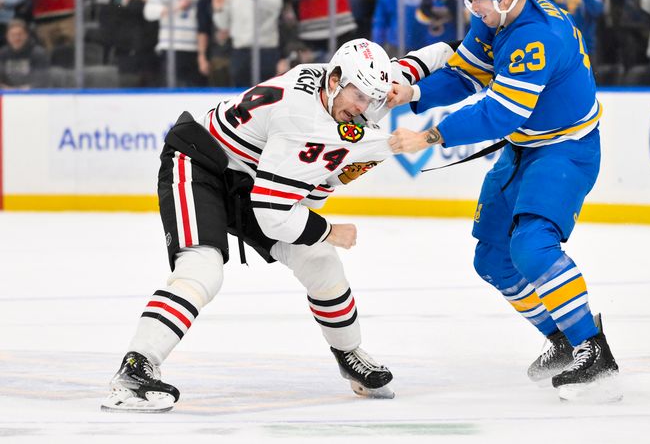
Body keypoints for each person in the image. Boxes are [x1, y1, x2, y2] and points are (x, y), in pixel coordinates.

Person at [100, 37, 454, 412]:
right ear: (335, 80)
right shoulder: (301, 122)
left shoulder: (351, 87)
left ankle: (348, 354)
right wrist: (329, 231)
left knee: (320, 261)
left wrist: (481, 44)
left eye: (373, 98)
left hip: (253, 178)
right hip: (200, 165)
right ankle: (135, 369)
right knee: (202, 270)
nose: (364, 108)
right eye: (359, 97)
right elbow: (272, 211)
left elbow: (421, 62)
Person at [387, 0, 620, 401]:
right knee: (492, 259)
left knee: (531, 246)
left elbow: (501, 113)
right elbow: (465, 75)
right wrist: (411, 93)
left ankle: (593, 350)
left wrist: (431, 136)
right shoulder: (499, 16)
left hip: (565, 151)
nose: (471, 5)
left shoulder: (536, 38)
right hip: (524, 148)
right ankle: (562, 340)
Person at [212, 0, 283, 87]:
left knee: (265, 91)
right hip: (240, 50)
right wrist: (218, 10)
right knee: (240, 91)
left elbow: (276, 5)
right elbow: (223, 25)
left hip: (264, 49)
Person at [0, 19, 49, 88]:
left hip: (31, 92)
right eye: (12, 35)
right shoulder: (2, 53)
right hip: (7, 92)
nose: (16, 38)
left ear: (26, 35)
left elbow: (42, 79)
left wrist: (23, 89)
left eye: (19, 34)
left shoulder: (38, 53)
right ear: (7, 36)